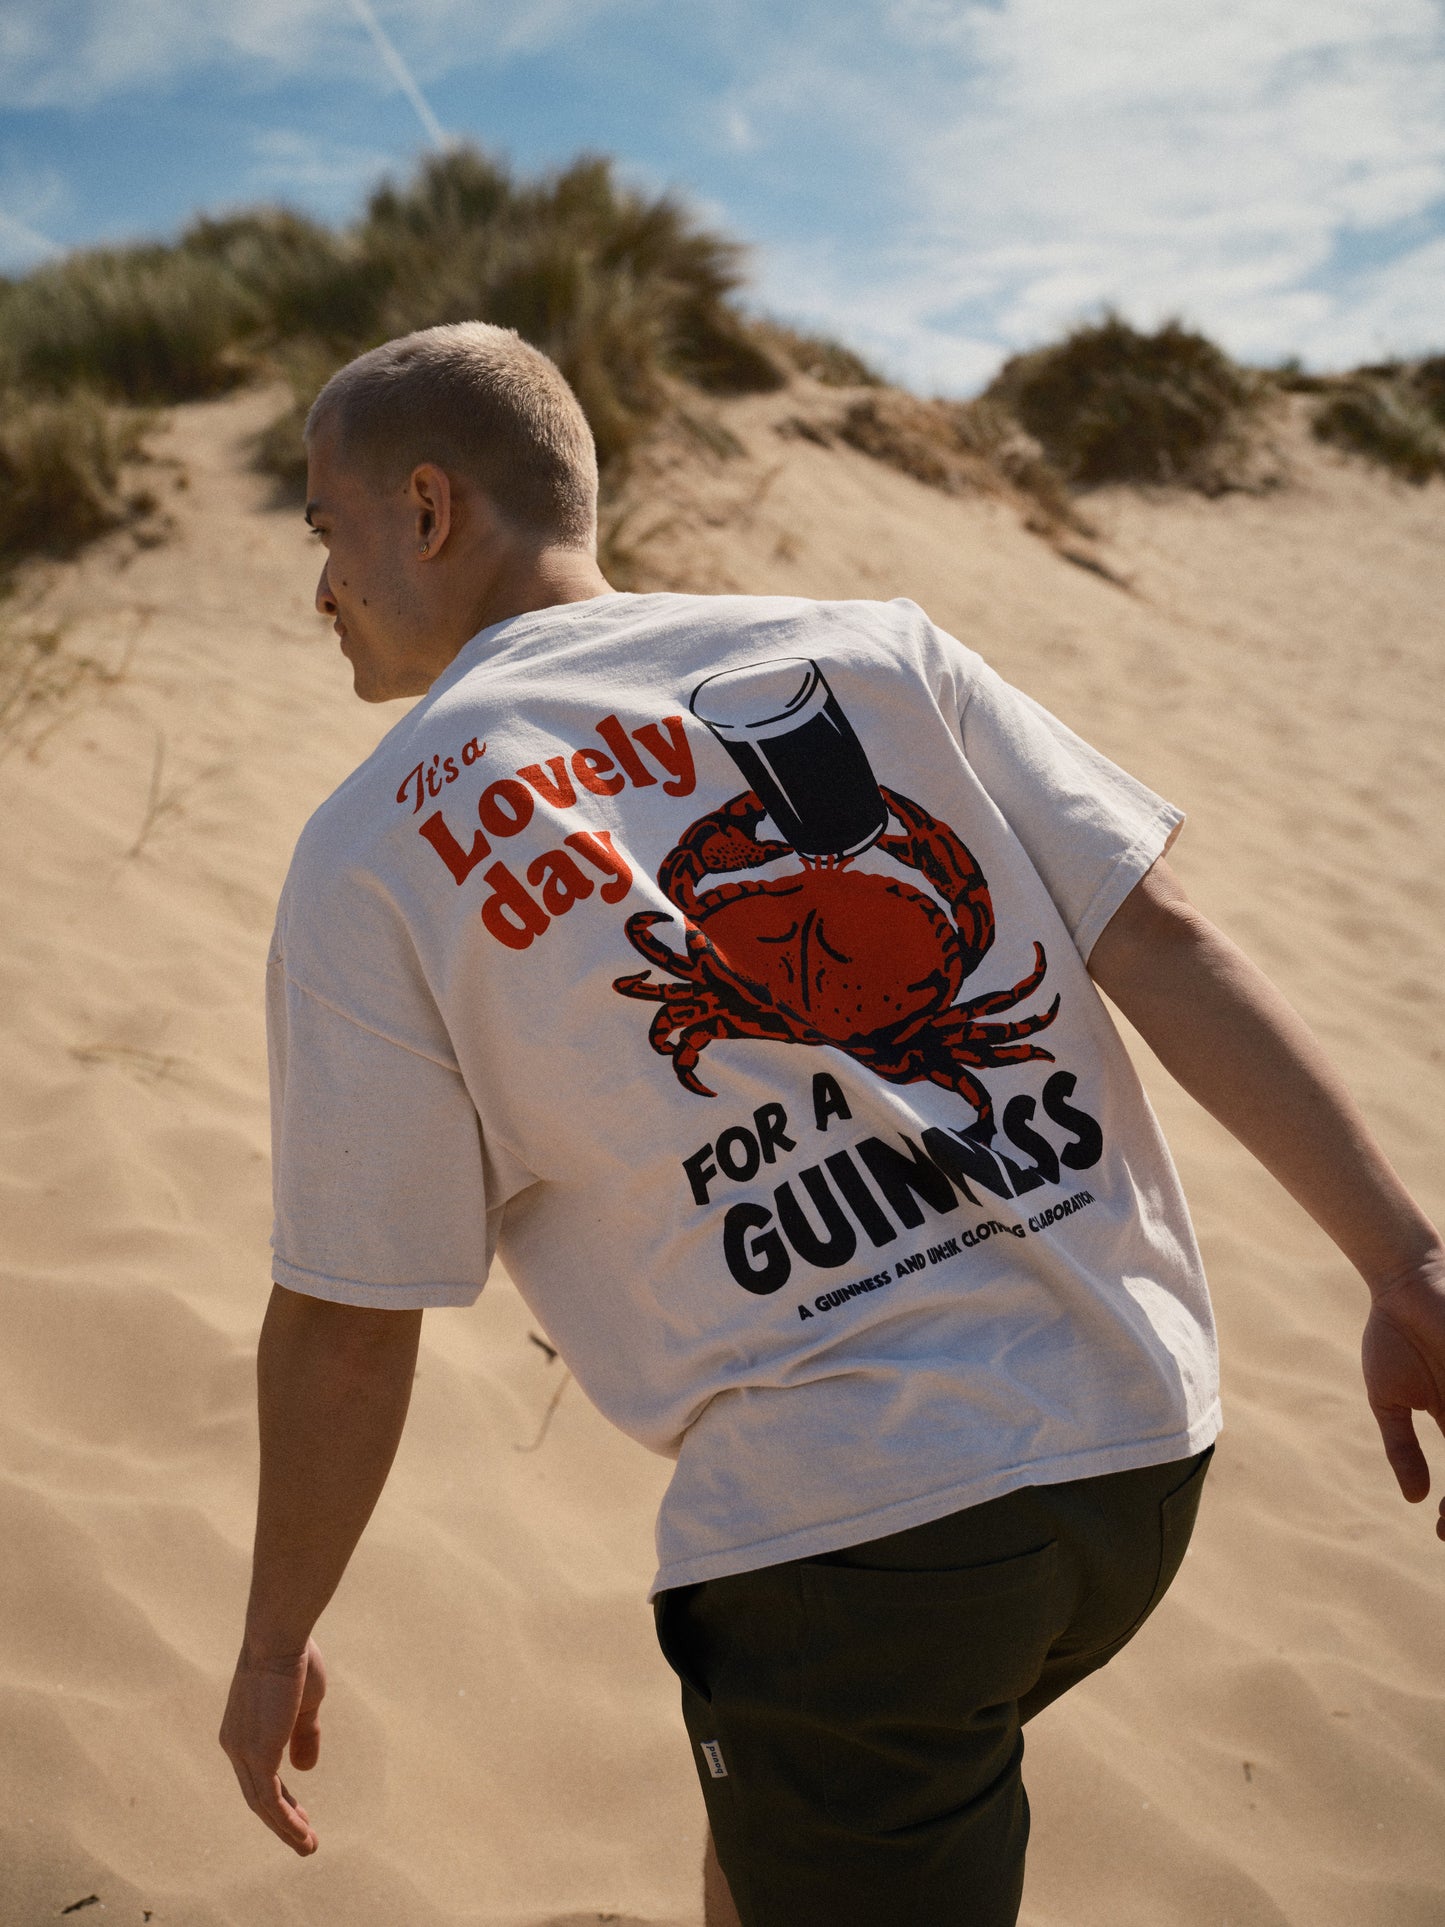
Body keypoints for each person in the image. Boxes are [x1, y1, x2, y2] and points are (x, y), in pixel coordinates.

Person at [219, 321, 1445, 1927]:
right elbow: (1157, 938)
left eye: (326, 529)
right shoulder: (872, 648)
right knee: (807, 1819)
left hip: (849, 1542)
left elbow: (346, 1315)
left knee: (844, 1765)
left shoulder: (374, 844)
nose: (320, 586)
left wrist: (267, 1637)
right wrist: (1404, 1265)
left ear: (428, 511)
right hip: (1138, 1453)